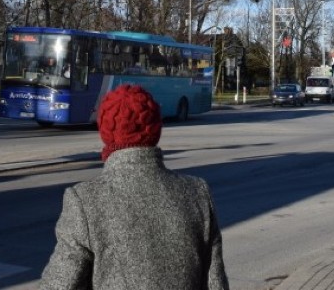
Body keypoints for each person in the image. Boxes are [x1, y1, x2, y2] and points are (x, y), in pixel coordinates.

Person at [40, 84, 229, 290]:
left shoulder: (84, 201)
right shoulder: (197, 193)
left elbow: (59, 284)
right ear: (156, 129)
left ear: (105, 132)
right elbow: (216, 283)